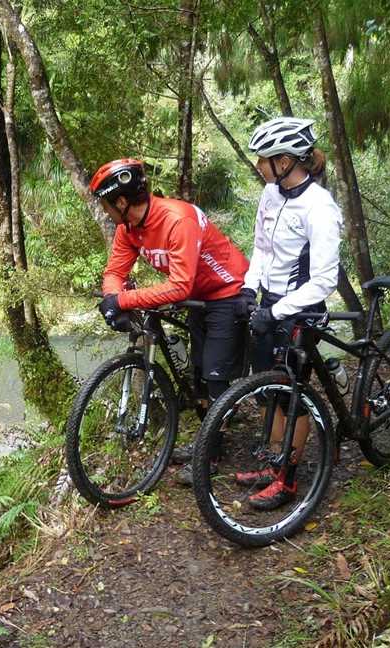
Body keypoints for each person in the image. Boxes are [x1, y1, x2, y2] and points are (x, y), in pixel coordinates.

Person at [89, 158, 250, 484]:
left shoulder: (177, 219)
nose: (106, 211)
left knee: (215, 377)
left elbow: (179, 285)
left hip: (228, 292)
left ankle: (213, 453)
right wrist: (111, 298)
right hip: (198, 299)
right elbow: (115, 272)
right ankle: (209, 439)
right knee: (199, 376)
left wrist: (122, 299)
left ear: (121, 201)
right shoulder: (129, 229)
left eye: (106, 204)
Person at [238, 117, 344, 510]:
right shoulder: (271, 194)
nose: (258, 166)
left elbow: (323, 280)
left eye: (262, 159)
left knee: (293, 394)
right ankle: (272, 462)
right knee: (269, 388)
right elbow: (262, 248)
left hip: (301, 309)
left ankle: (289, 480)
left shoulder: (320, 207)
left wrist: (279, 310)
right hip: (270, 303)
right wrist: (250, 287)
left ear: (284, 161)